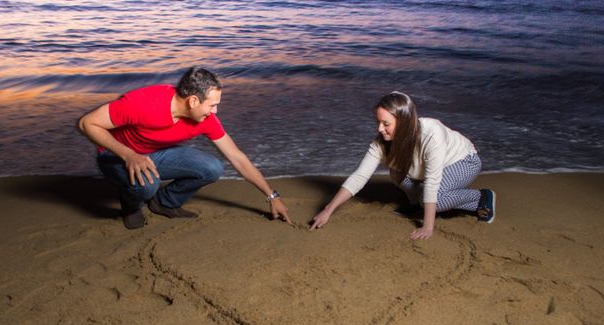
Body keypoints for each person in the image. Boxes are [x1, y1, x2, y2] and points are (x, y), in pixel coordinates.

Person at [78, 66, 291, 229]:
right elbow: (87, 123)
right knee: (148, 184)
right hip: (116, 155)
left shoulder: (206, 119)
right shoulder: (144, 103)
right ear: (192, 101)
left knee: (212, 168)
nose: (215, 111)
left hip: (154, 154)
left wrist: (272, 196)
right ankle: (131, 207)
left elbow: (236, 156)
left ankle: (164, 202)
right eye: (212, 105)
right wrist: (128, 154)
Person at [310, 91, 495, 239]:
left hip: (462, 161)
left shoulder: (432, 133)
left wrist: (427, 227)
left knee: (436, 200)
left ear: (404, 122)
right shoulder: (382, 142)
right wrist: (328, 210)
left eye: (386, 123)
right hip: (426, 170)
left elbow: (432, 181)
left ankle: (481, 197)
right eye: (378, 122)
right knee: (397, 172)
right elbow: (360, 176)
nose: (379, 129)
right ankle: (418, 203)